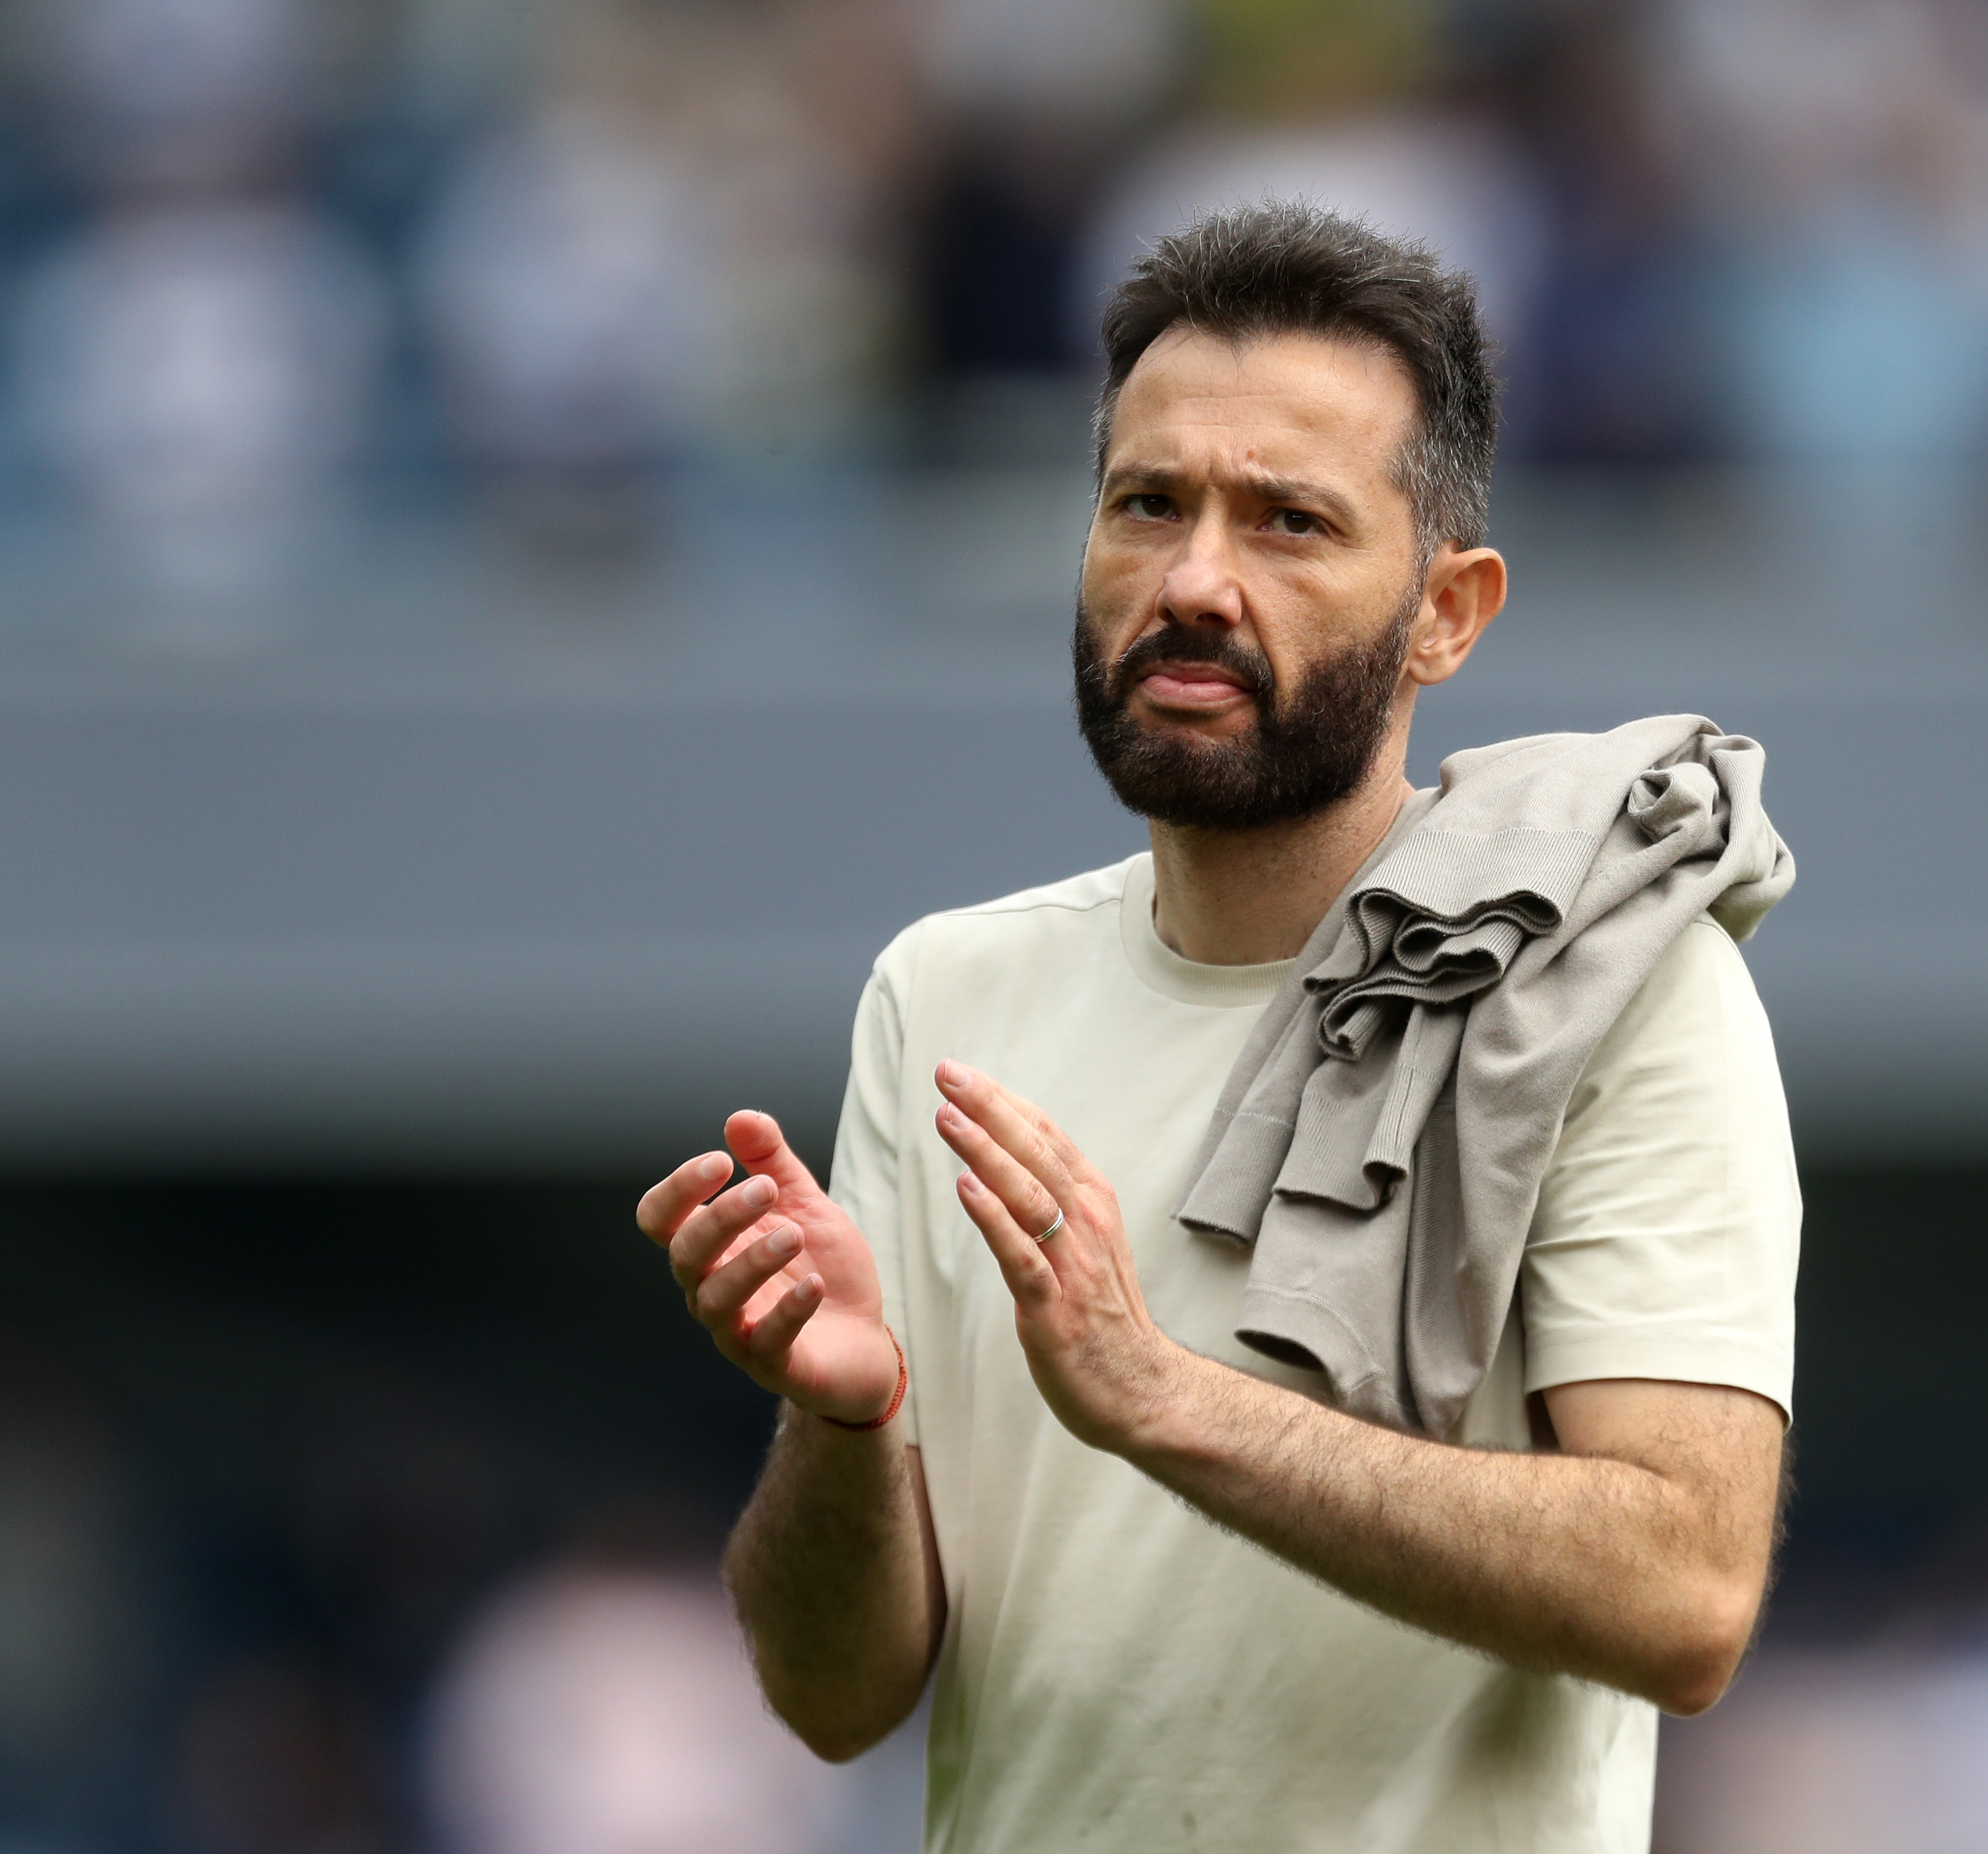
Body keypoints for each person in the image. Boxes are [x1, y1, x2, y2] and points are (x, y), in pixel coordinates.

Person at [636, 202, 1799, 1852]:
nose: (1191, 579)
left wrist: (1160, 1396)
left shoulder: (1620, 990)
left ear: (1446, 612)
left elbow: (1686, 1590)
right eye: (1147, 503)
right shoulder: (944, 994)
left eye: (1288, 522)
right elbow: (836, 1697)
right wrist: (847, 1419)